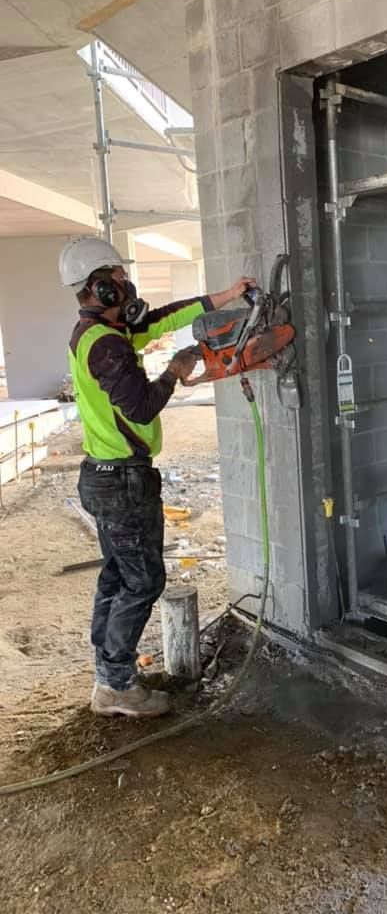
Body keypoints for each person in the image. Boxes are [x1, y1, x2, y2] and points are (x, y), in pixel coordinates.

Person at [60, 235, 255, 718]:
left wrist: (228, 296)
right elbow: (142, 404)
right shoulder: (107, 346)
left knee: (117, 576)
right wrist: (173, 370)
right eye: (118, 278)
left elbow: (165, 317)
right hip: (121, 481)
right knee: (143, 582)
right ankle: (117, 685)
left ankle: (110, 674)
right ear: (99, 287)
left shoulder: (103, 333)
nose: (127, 284)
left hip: (105, 477)